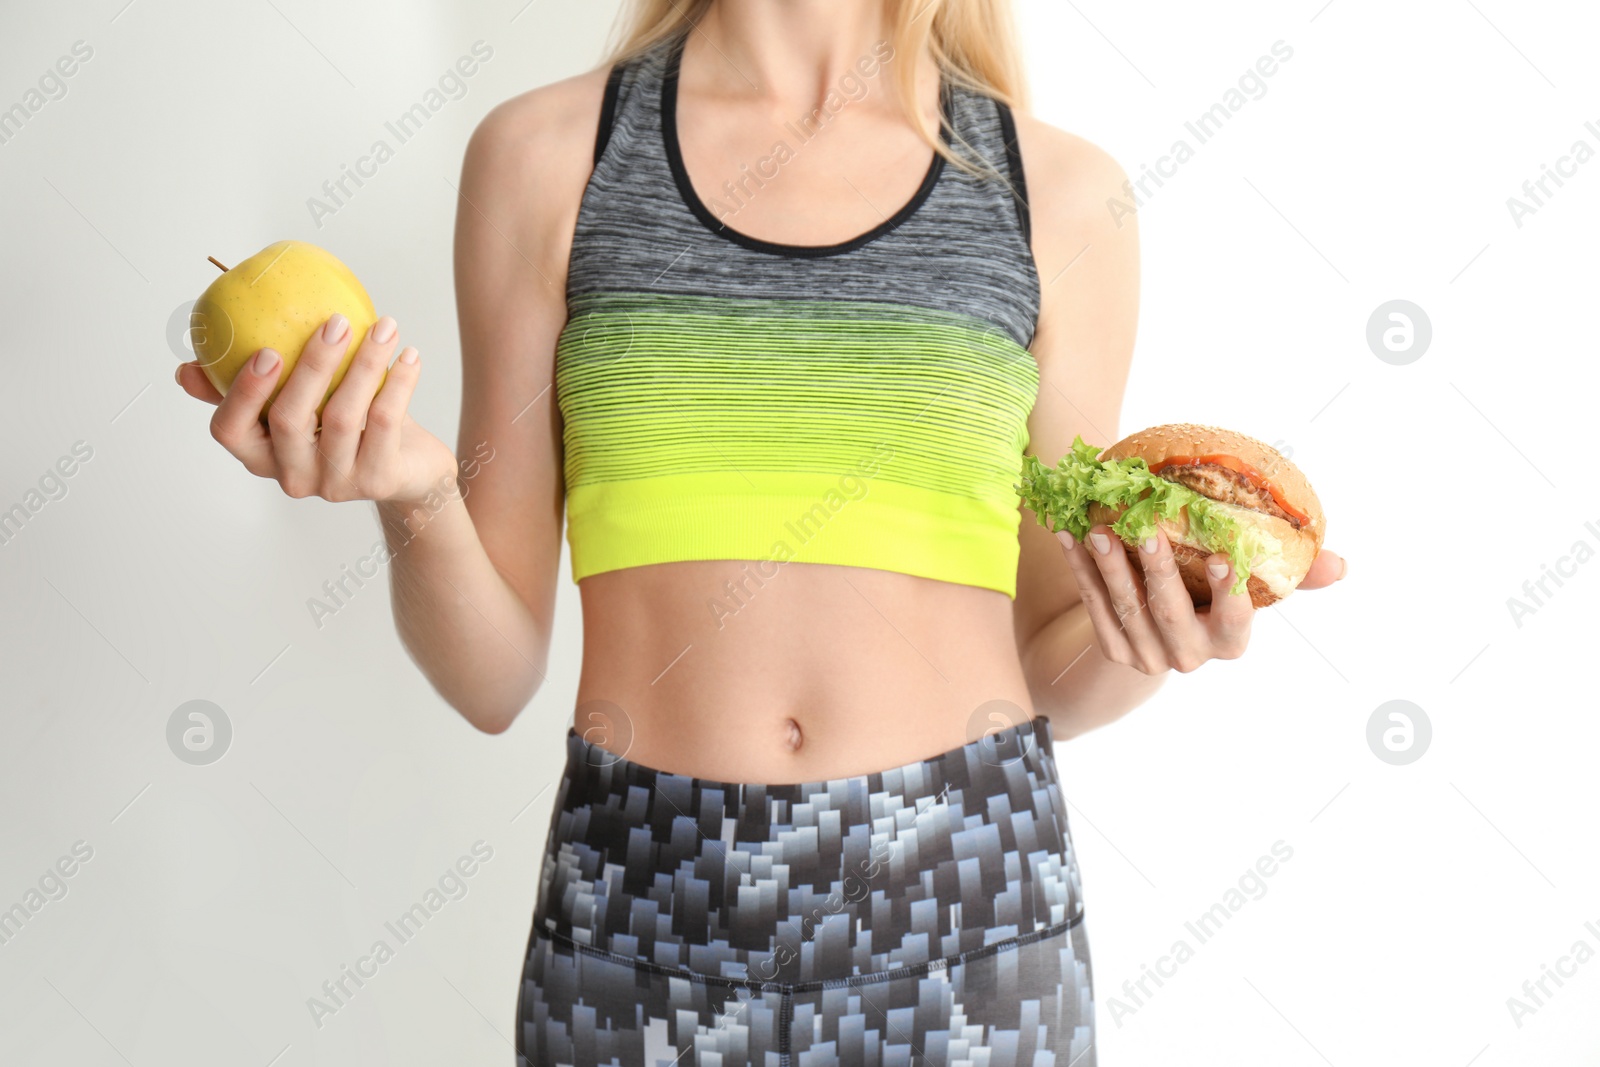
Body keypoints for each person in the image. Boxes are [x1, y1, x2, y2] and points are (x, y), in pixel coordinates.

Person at [176, 1, 1345, 1063]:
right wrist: (415, 492)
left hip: (969, 902)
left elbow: (1053, 671)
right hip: (636, 909)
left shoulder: (1063, 194)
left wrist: (1142, 637)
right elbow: (491, 676)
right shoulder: (543, 159)